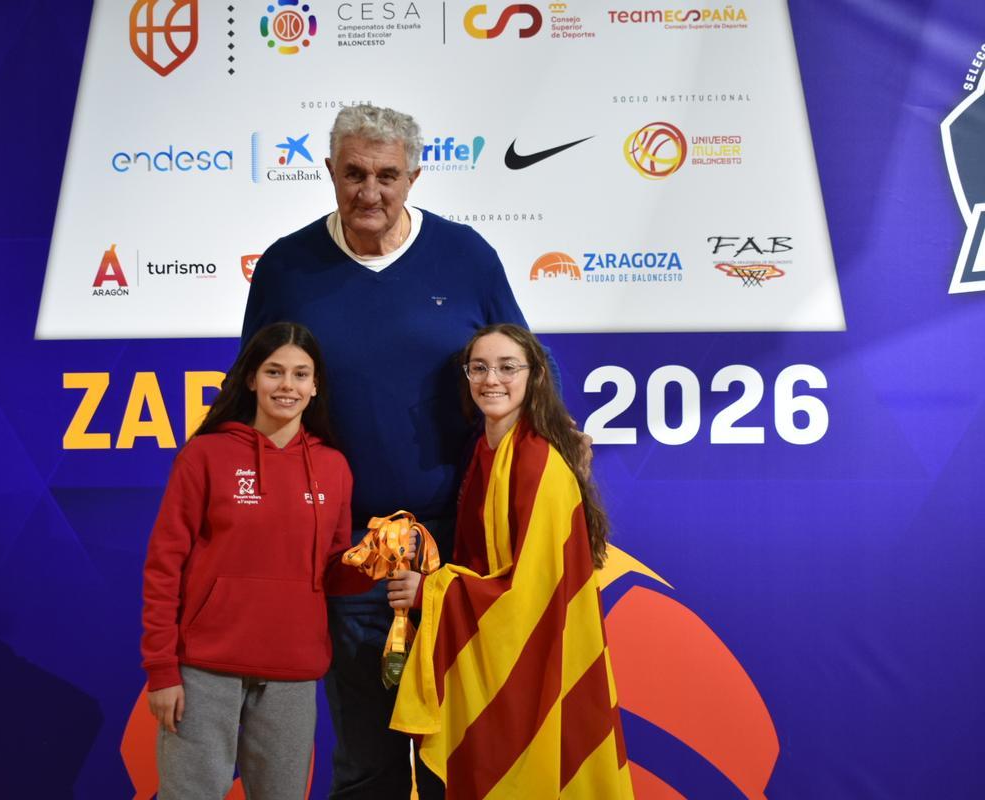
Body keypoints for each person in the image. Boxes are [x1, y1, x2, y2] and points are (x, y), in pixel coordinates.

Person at [241, 104, 545, 799]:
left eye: (386, 175)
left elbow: (518, 370)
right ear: (328, 173)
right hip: (346, 549)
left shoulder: (467, 256)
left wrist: (559, 442)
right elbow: (259, 397)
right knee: (368, 759)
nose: (368, 192)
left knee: (461, 751)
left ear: (414, 175)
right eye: (353, 174)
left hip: (460, 545)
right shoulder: (287, 267)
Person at [390, 324, 633, 800]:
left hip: (526, 658)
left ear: (535, 375)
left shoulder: (536, 460)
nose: (491, 379)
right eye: (478, 368)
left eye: (507, 367)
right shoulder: (487, 449)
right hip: (494, 654)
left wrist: (431, 593)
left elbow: (531, 597)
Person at [140, 322, 376, 800]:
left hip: (292, 669)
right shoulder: (204, 456)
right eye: (274, 371)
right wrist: (162, 670)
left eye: (300, 375)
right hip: (204, 668)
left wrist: (372, 563)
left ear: (315, 387)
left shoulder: (333, 466)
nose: (287, 386)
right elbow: (165, 567)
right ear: (251, 379)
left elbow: (330, 573)